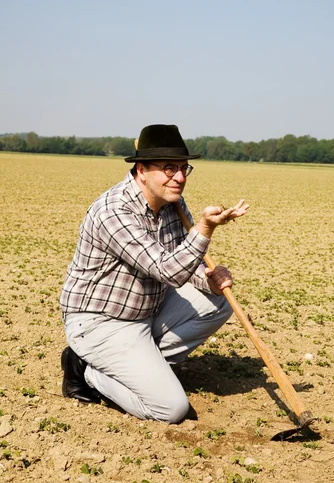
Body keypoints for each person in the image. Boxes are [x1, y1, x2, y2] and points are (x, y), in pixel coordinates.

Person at [60, 124, 249, 423]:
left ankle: (143, 367)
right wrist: (205, 229)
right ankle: (88, 370)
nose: (180, 177)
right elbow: (166, 269)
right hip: (101, 322)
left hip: (147, 313)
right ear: (142, 170)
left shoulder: (173, 203)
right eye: (169, 168)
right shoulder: (114, 211)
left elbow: (181, 262)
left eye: (184, 167)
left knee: (219, 301)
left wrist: (208, 281)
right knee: (172, 409)